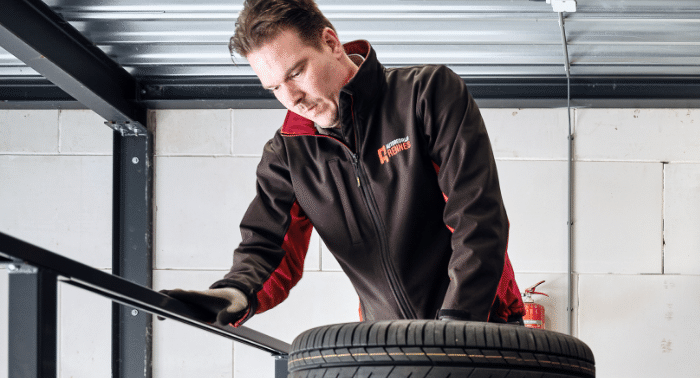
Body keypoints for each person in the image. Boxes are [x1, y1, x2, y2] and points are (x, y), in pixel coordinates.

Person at [163, 0, 524, 326]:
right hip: (388, 344)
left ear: (331, 44)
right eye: (273, 88)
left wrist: (458, 322)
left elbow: (477, 215)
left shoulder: (426, 94)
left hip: (482, 324)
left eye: (295, 73)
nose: (292, 98)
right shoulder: (288, 155)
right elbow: (268, 248)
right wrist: (233, 295)